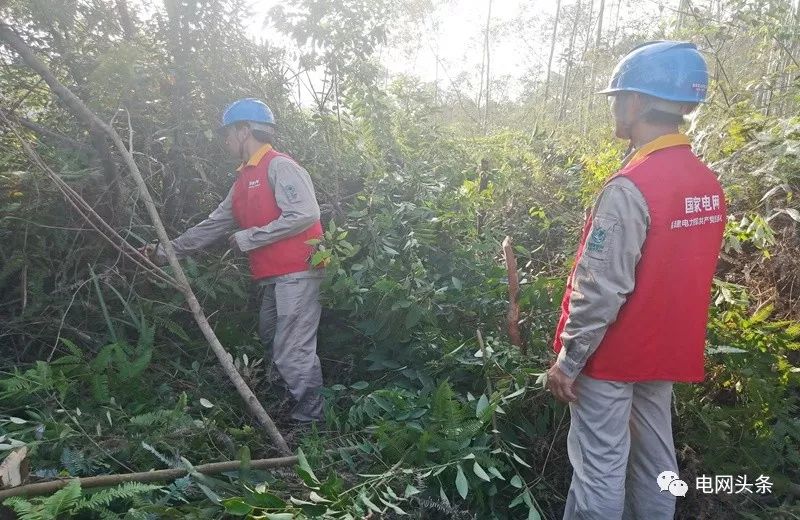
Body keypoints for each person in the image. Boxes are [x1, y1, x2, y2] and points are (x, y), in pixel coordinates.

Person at [545, 41, 727, 519]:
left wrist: (569, 359)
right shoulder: (706, 183)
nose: (616, 108)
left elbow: (602, 286)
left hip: (611, 356)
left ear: (638, 101)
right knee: (655, 464)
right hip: (666, 353)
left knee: (600, 470)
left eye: (618, 97)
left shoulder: (633, 185)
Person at [143, 98, 325, 423]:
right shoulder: (244, 177)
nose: (225, 140)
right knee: (273, 340)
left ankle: (310, 425)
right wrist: (168, 251)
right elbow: (215, 223)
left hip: (298, 273)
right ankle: (285, 408)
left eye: (228, 132)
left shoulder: (279, 166)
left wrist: (248, 237)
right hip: (275, 277)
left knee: (292, 351)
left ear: (244, 131)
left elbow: (305, 213)